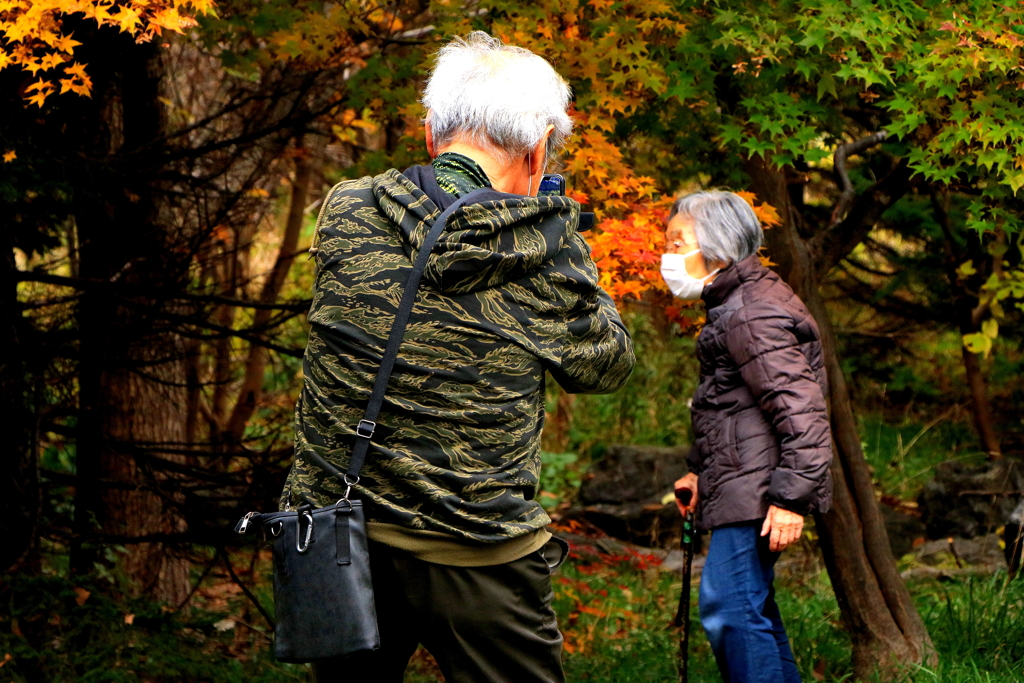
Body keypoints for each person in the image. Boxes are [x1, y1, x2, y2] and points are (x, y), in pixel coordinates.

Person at [282, 32, 636, 683]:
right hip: (478, 548)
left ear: (429, 135)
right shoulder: (543, 246)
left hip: (340, 536)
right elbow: (604, 364)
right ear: (536, 152)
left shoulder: (346, 210)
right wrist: (558, 231)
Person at [666, 191, 833, 683]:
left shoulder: (751, 312)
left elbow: (802, 411)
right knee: (751, 612)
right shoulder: (738, 302)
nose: (669, 254)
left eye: (679, 241)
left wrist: (790, 498)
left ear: (716, 245)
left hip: (761, 489)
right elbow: (731, 406)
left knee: (731, 609)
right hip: (747, 482)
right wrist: (699, 471)